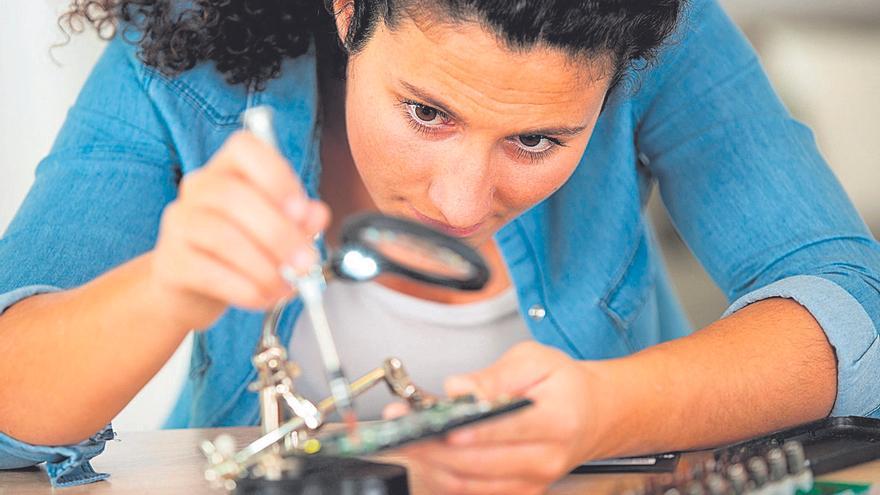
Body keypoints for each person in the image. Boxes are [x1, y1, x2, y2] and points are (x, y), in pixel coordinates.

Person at [1, 0, 879, 492]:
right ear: (348, 8)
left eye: (537, 140)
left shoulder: (659, 37)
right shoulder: (180, 66)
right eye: (426, 112)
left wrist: (608, 409)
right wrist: (164, 288)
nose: (460, 203)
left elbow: (854, 308)